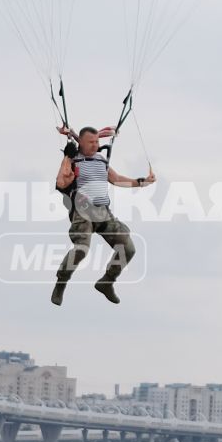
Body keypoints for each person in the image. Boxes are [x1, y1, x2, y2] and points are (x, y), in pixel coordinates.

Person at [50, 124, 154, 306]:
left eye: (97, 141)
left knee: (128, 248)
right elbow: (61, 181)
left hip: (103, 213)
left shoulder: (101, 160)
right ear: (80, 143)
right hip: (83, 213)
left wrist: (142, 182)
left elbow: (117, 179)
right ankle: (61, 282)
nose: (95, 145)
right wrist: (67, 156)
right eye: (90, 142)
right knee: (81, 249)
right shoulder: (74, 160)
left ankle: (106, 282)